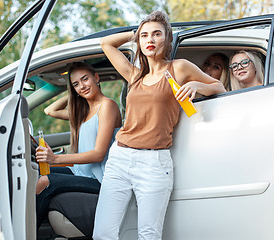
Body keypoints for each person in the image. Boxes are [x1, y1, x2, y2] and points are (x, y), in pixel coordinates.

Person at [93, 11, 226, 240]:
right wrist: (134, 35)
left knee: (149, 235)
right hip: (120, 159)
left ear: (168, 39)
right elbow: (106, 43)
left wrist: (196, 84)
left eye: (156, 34)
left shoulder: (179, 68)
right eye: (145, 36)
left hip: (154, 163)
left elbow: (219, 88)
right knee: (103, 233)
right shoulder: (134, 76)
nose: (150, 40)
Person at [35, 62, 122, 229]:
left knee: (44, 181)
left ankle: (27, 234)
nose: (82, 86)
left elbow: (99, 154)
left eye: (85, 79)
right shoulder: (83, 112)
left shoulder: (107, 106)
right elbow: (50, 110)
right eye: (76, 84)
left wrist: (55, 158)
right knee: (34, 174)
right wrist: (74, 93)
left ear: (96, 78)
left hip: (100, 179)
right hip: (80, 172)